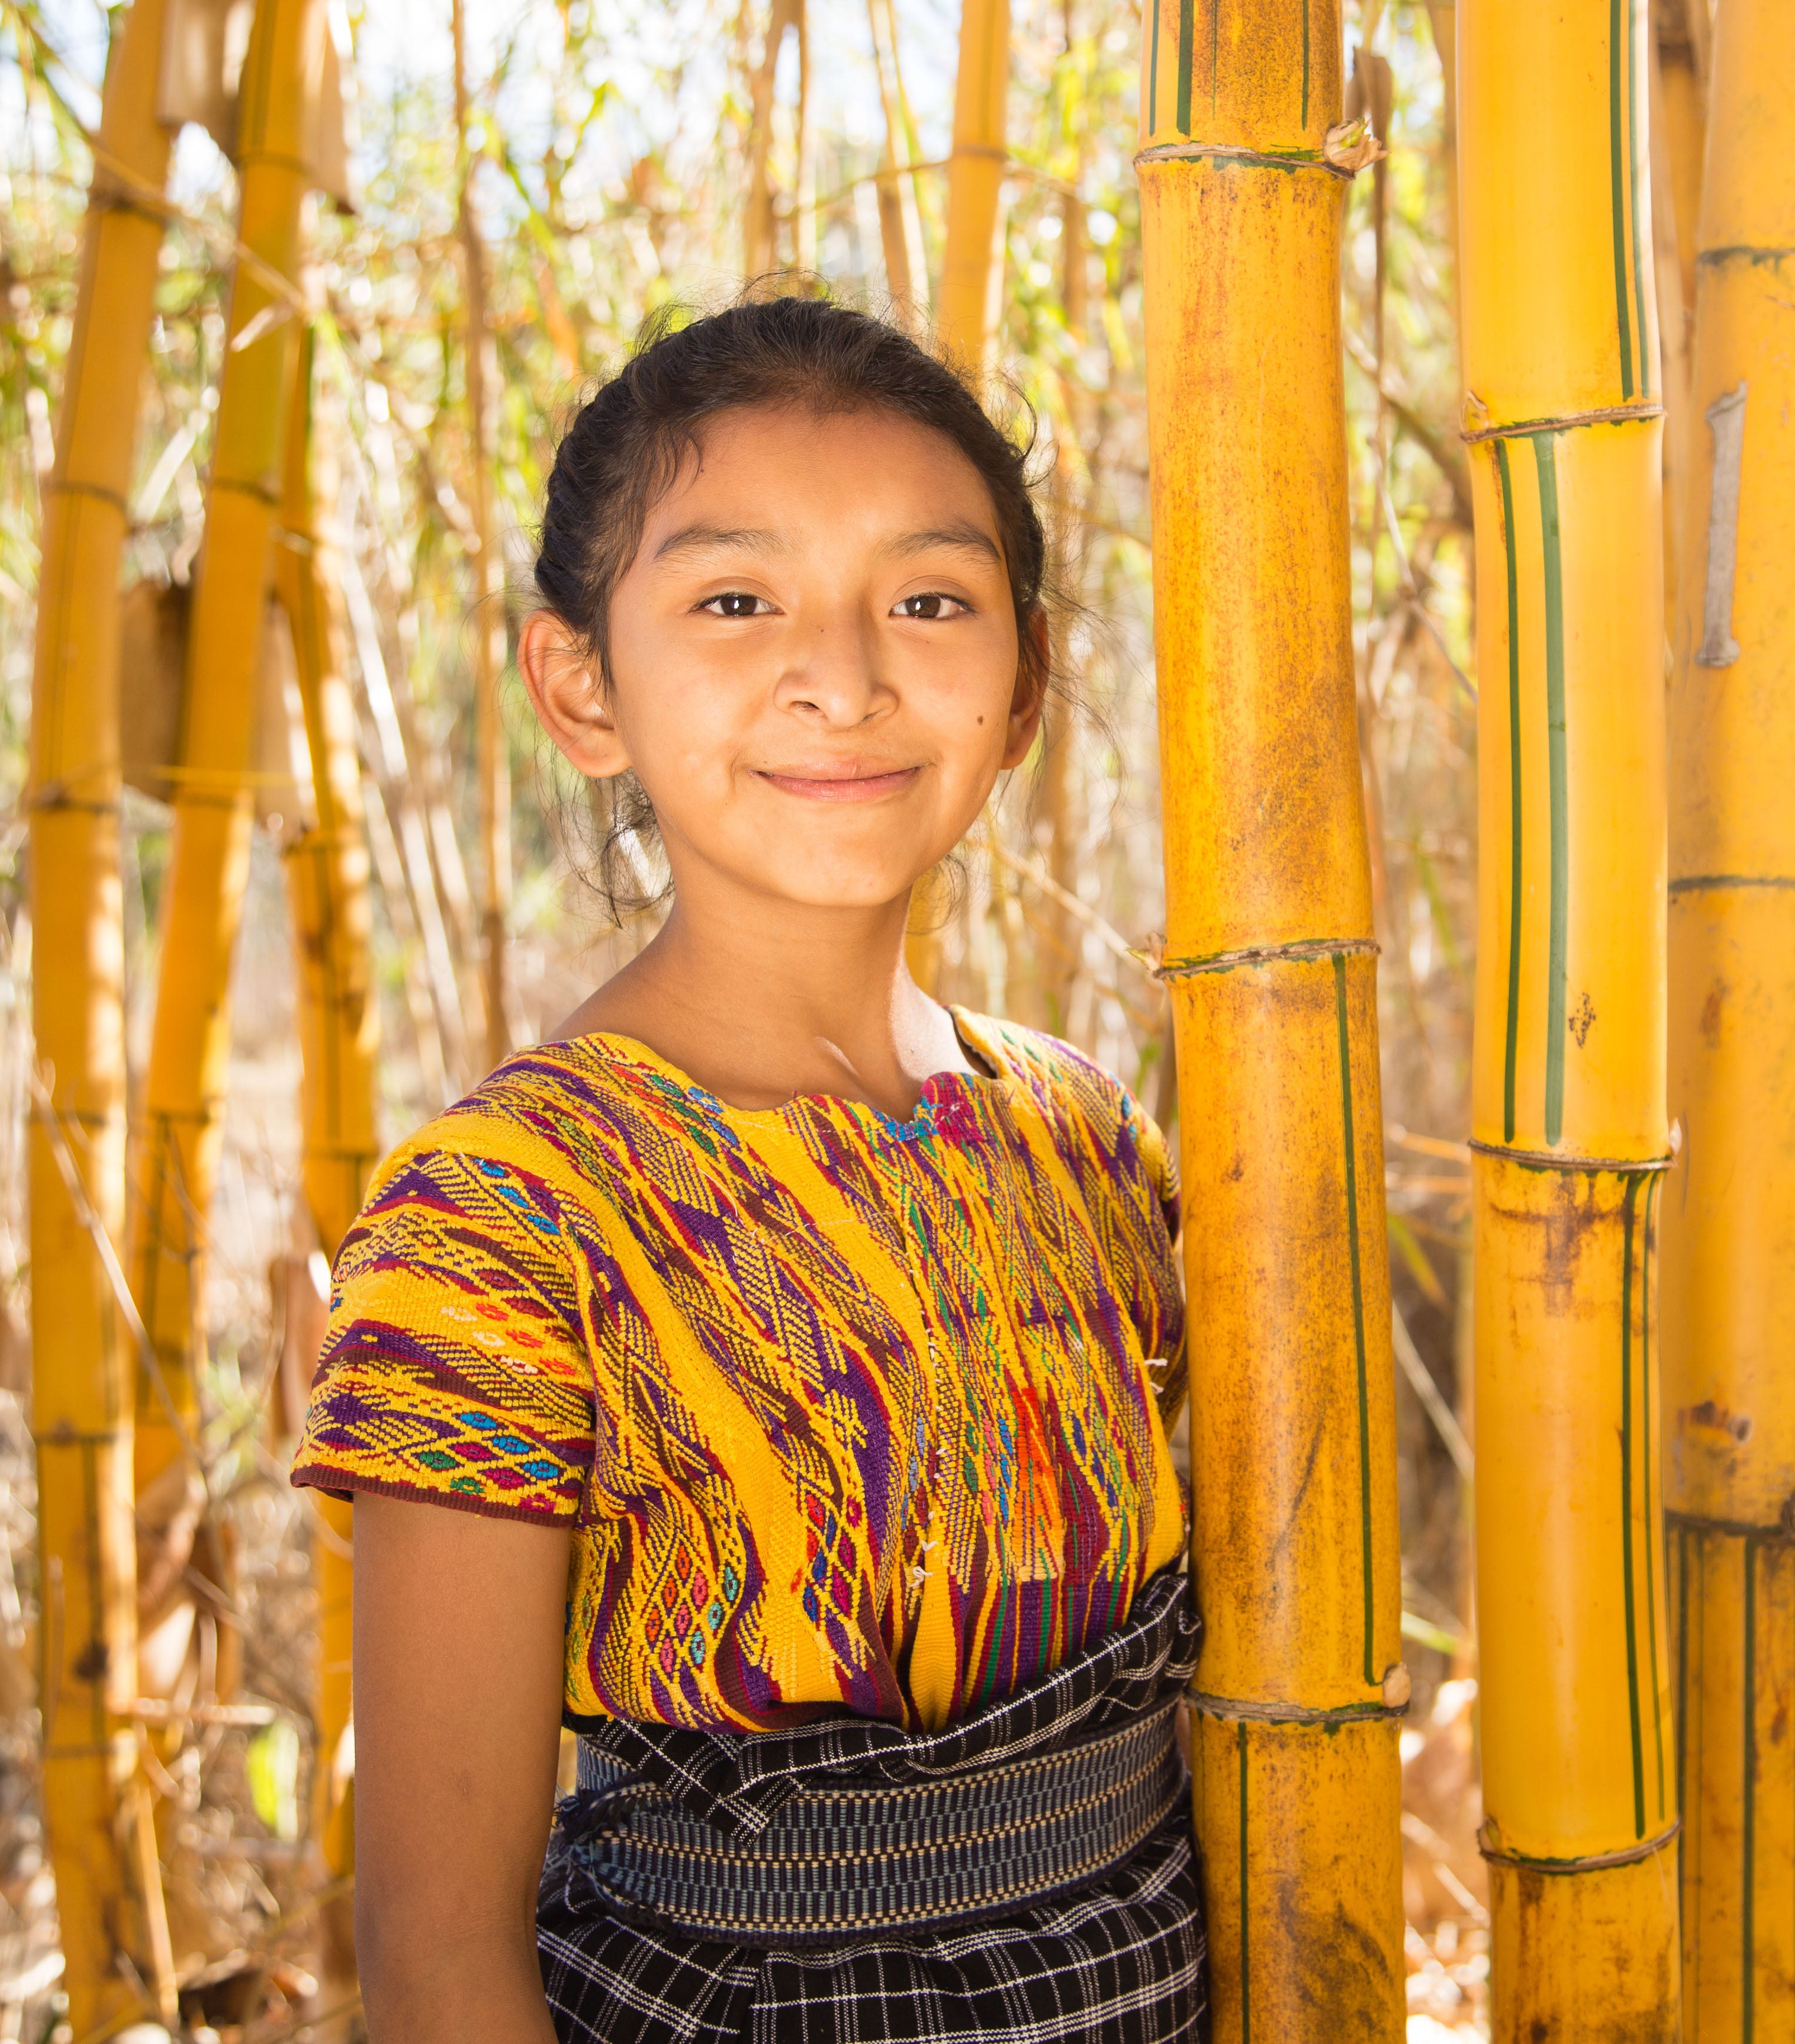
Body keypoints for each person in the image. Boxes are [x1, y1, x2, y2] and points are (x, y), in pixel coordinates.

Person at [290, 295, 1204, 2043]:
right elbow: (435, 1963)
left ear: (1020, 684)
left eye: (929, 601)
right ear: (581, 688)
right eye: (733, 602)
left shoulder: (1090, 1138)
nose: (845, 677)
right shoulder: (506, 1217)